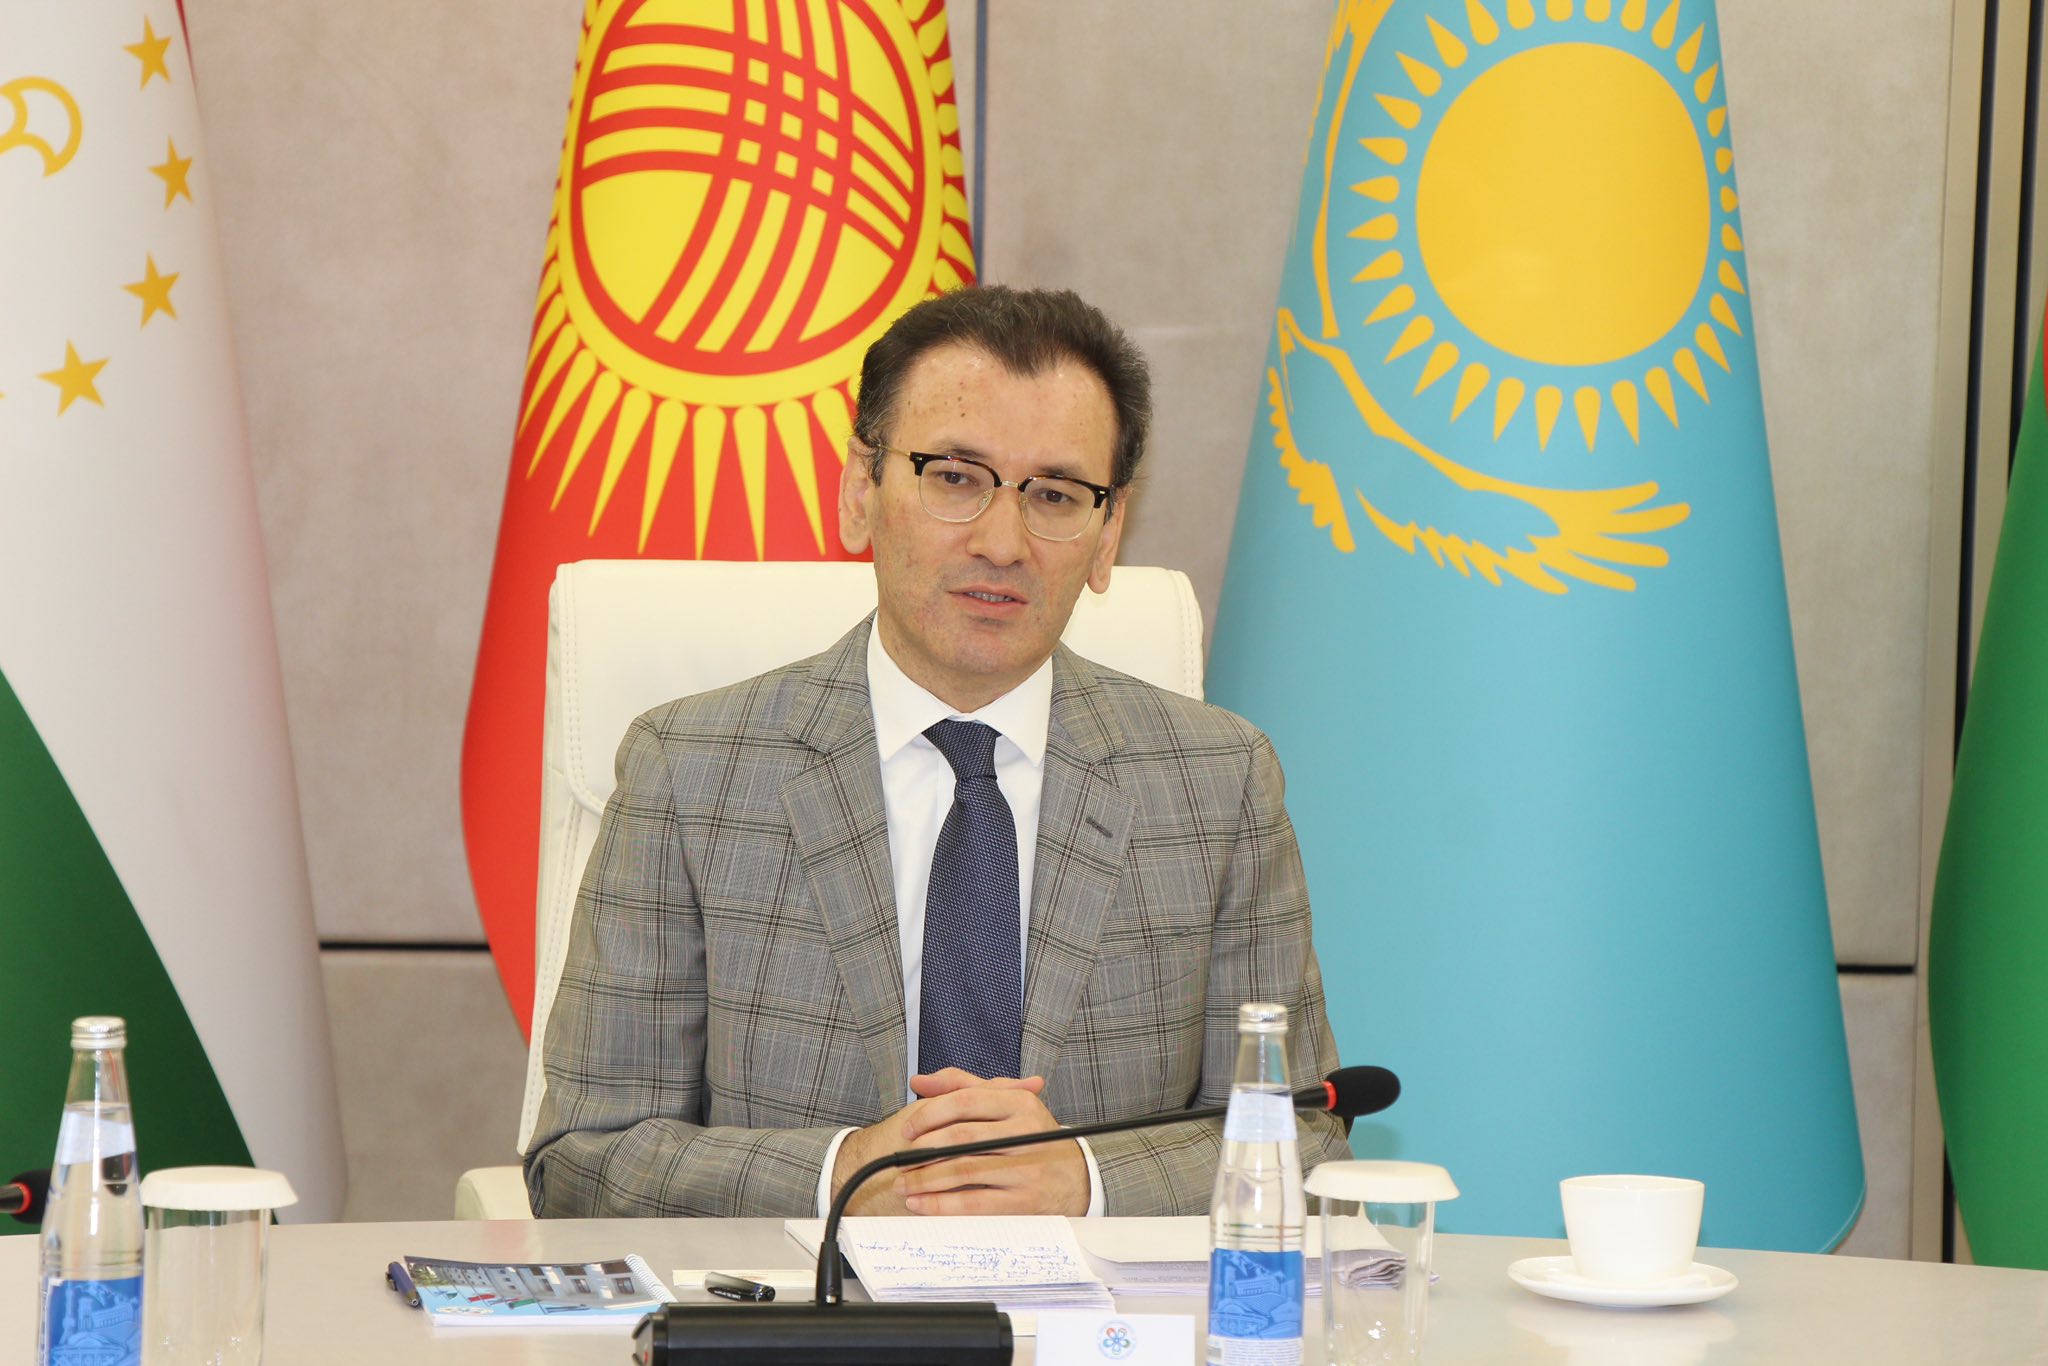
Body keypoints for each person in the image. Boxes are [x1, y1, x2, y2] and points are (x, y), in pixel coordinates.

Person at [524, 285, 1350, 1219]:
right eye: (955, 478)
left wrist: (1085, 1181)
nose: (1001, 542)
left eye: (1055, 495)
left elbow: (1305, 1137)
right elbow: (582, 1160)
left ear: (1108, 533)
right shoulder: (690, 770)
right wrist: (844, 1174)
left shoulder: (1216, 783)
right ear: (860, 493)